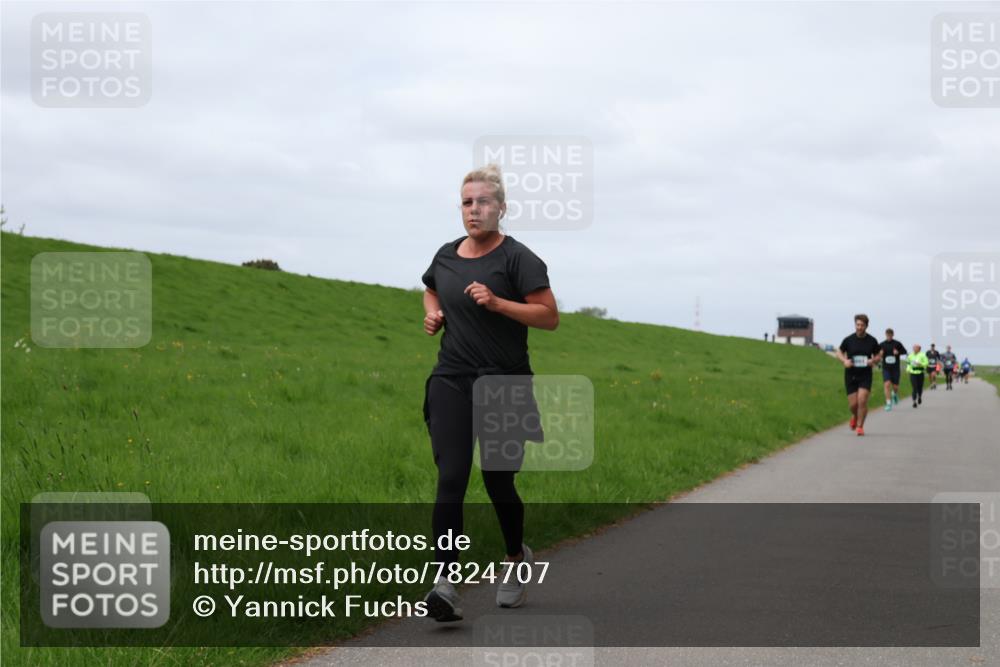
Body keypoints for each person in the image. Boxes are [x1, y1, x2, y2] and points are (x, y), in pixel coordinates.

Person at [420, 164, 559, 622]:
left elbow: (548, 316)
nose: (473, 210)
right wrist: (435, 314)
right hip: (452, 379)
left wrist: (498, 303)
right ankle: (445, 583)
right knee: (452, 477)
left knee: (499, 481)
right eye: (466, 202)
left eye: (482, 202)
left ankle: (517, 560)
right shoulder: (446, 256)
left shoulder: (518, 258)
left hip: (505, 382)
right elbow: (430, 288)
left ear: (501, 207)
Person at [836, 314, 883, 436]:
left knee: (862, 401)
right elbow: (839, 352)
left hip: (865, 374)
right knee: (853, 405)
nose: (859, 327)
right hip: (851, 374)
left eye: (862, 325)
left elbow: (879, 354)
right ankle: (855, 416)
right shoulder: (848, 340)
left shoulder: (872, 341)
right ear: (855, 325)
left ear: (866, 326)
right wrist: (844, 361)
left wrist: (873, 360)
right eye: (857, 324)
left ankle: (860, 426)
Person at [878, 328, 907, 411]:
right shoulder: (882, 344)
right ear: (885, 335)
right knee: (887, 384)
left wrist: (898, 352)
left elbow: (904, 351)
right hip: (886, 368)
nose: (889, 336)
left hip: (895, 368)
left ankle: (894, 394)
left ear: (893, 335)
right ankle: (888, 403)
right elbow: (877, 354)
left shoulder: (897, 344)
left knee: (895, 386)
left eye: (890, 335)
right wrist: (880, 354)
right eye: (887, 335)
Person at [907, 344, 929, 408]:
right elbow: (908, 363)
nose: (914, 349)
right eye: (913, 348)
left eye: (916, 348)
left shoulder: (923, 355)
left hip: (920, 373)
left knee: (920, 387)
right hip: (913, 373)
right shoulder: (910, 356)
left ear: (919, 349)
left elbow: (926, 363)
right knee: (914, 388)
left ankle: (919, 396)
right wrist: (908, 369)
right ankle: (914, 402)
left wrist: (920, 364)